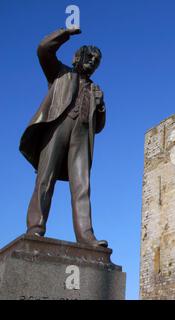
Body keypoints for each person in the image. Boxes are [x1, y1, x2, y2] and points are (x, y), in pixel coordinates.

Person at [19, 28, 108, 247]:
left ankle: (86, 237)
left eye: (96, 61)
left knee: (82, 186)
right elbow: (43, 50)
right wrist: (66, 33)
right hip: (57, 127)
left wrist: (101, 107)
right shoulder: (60, 73)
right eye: (90, 57)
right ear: (77, 57)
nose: (93, 62)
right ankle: (35, 229)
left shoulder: (96, 89)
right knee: (45, 179)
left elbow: (99, 127)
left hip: (81, 135)